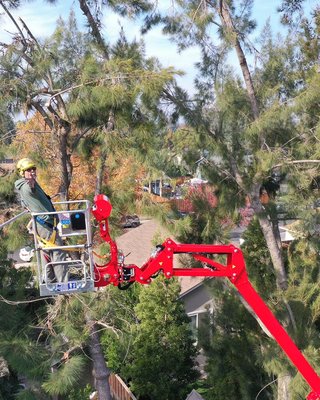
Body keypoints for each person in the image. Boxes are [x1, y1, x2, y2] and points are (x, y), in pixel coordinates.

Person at [14, 158, 68, 283]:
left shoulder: (29, 184)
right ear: (23, 172)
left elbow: (24, 201)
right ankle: (64, 282)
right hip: (45, 224)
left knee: (47, 253)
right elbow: (29, 189)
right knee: (57, 251)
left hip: (44, 224)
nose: (32, 171)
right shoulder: (27, 186)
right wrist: (31, 183)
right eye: (28, 170)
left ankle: (50, 280)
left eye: (33, 169)